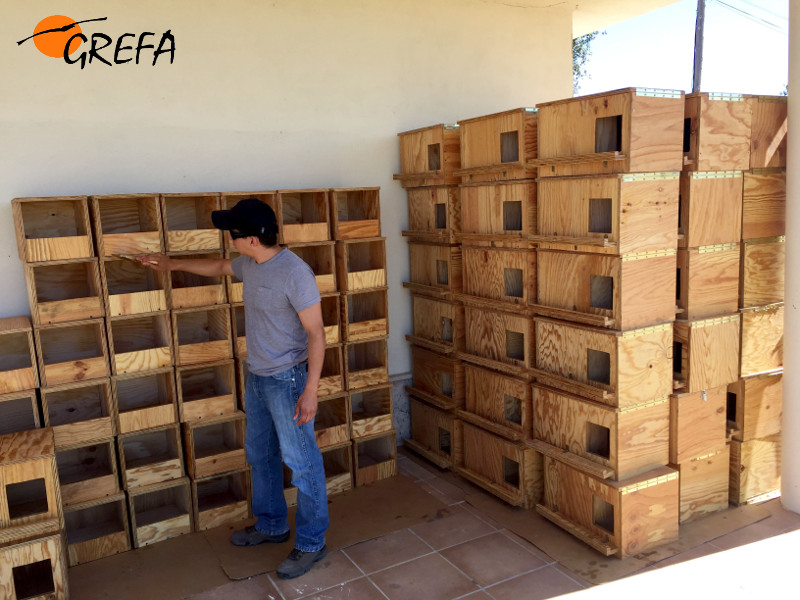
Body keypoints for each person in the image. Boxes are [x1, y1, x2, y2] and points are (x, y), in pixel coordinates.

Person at [136, 198, 329, 579]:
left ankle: (311, 542)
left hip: (288, 380)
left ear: (252, 239)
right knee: (261, 455)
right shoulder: (251, 264)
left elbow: (317, 334)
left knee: (302, 464)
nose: (229, 241)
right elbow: (220, 267)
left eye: (232, 234)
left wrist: (310, 390)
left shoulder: (295, 273)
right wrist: (171, 264)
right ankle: (272, 524)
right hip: (257, 377)